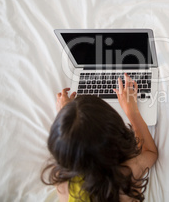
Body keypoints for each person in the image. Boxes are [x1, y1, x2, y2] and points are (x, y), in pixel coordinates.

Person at [41, 73, 158, 202]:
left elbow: (74, 147)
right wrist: (132, 111)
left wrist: (68, 119)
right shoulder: (126, 174)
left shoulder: (62, 183)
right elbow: (150, 152)